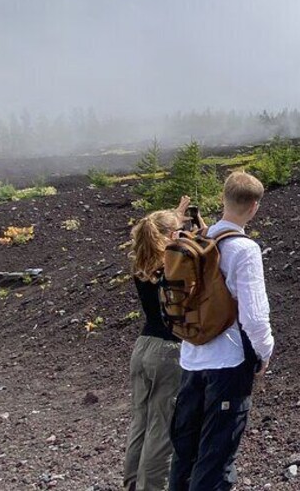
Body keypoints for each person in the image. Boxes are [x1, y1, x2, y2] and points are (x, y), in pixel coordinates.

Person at [169, 171, 275, 491]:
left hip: (191, 359)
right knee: (216, 458)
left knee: (185, 454)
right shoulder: (244, 249)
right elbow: (254, 317)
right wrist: (265, 352)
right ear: (254, 206)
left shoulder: (198, 241)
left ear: (223, 199)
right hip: (228, 363)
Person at [123, 196, 193, 491]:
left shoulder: (143, 263)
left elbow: (155, 233)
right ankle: (151, 486)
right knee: (162, 428)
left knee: (142, 418)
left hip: (143, 348)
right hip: (169, 352)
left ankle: (131, 482)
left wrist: (173, 218)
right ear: (169, 236)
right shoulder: (172, 269)